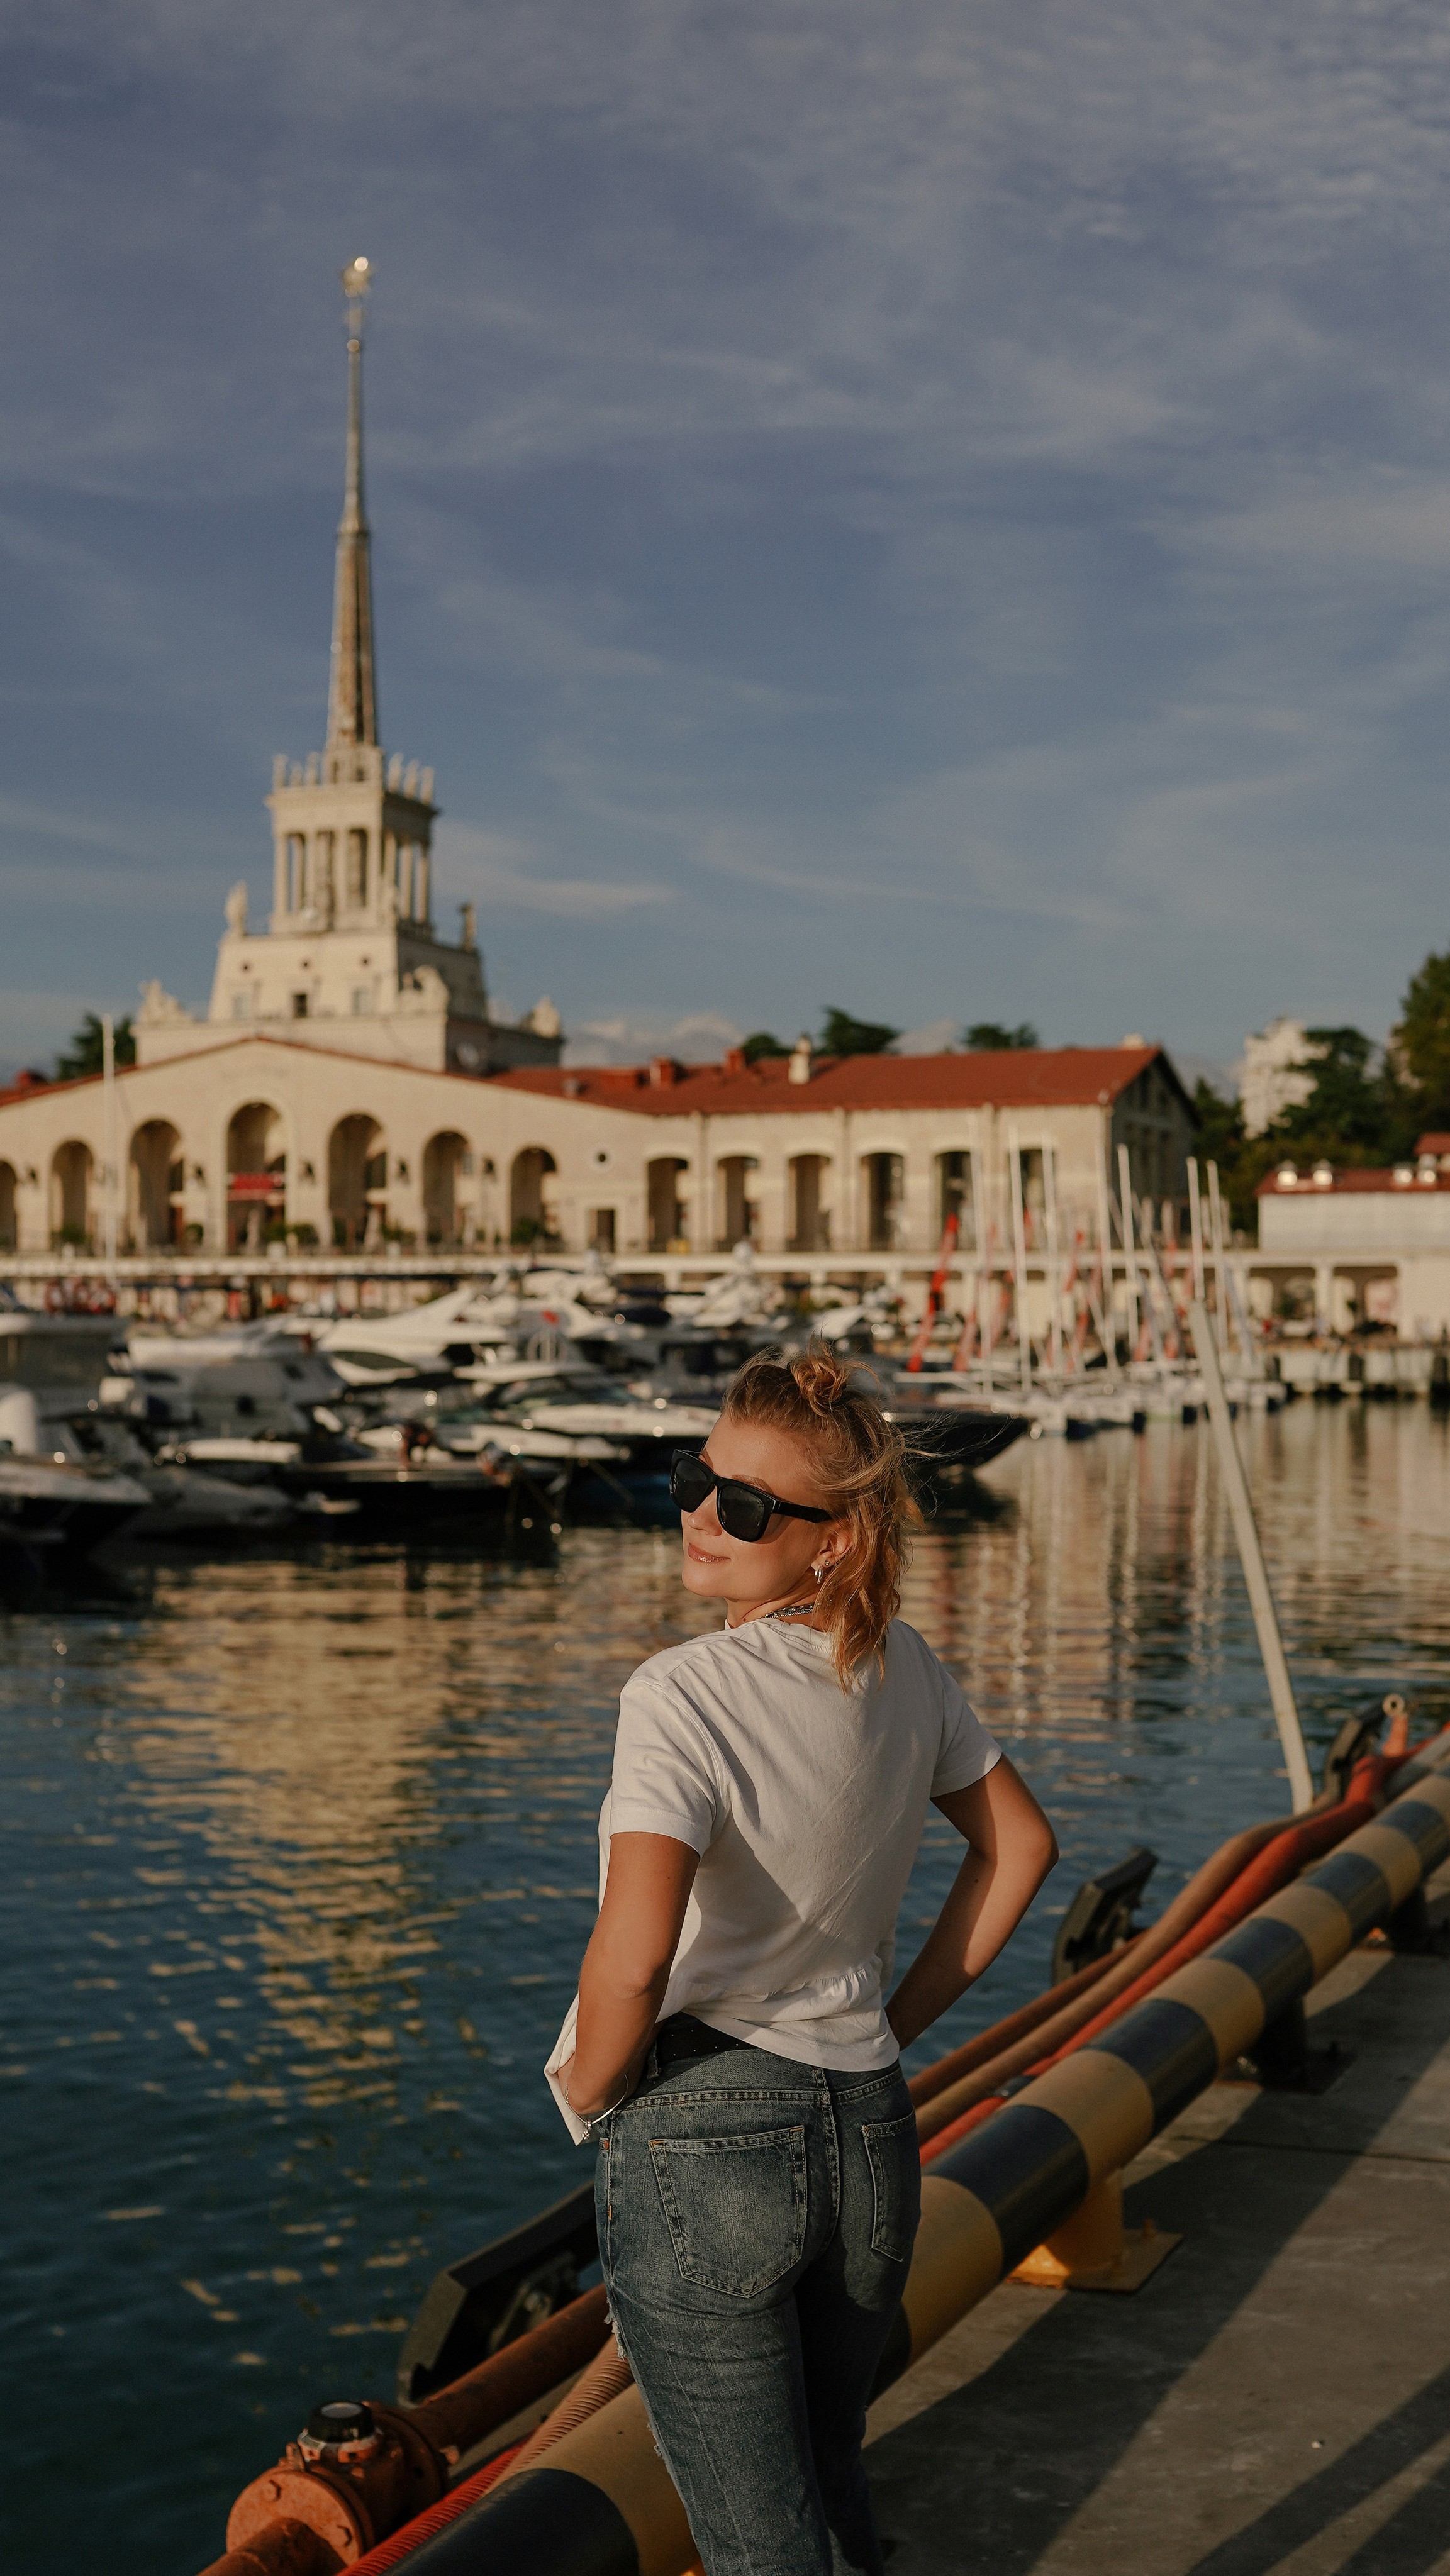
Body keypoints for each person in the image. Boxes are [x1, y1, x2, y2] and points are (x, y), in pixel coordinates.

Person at [547, 1347, 1057, 2576]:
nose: (699, 1515)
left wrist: (591, 2091)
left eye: (744, 1505)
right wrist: (892, 2020)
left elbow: (633, 1956)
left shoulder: (679, 1693)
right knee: (827, 2479)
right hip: (867, 2125)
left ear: (834, 1541)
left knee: (759, 2542)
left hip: (705, 2127)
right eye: (694, 1479)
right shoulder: (904, 1666)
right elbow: (1022, 1848)